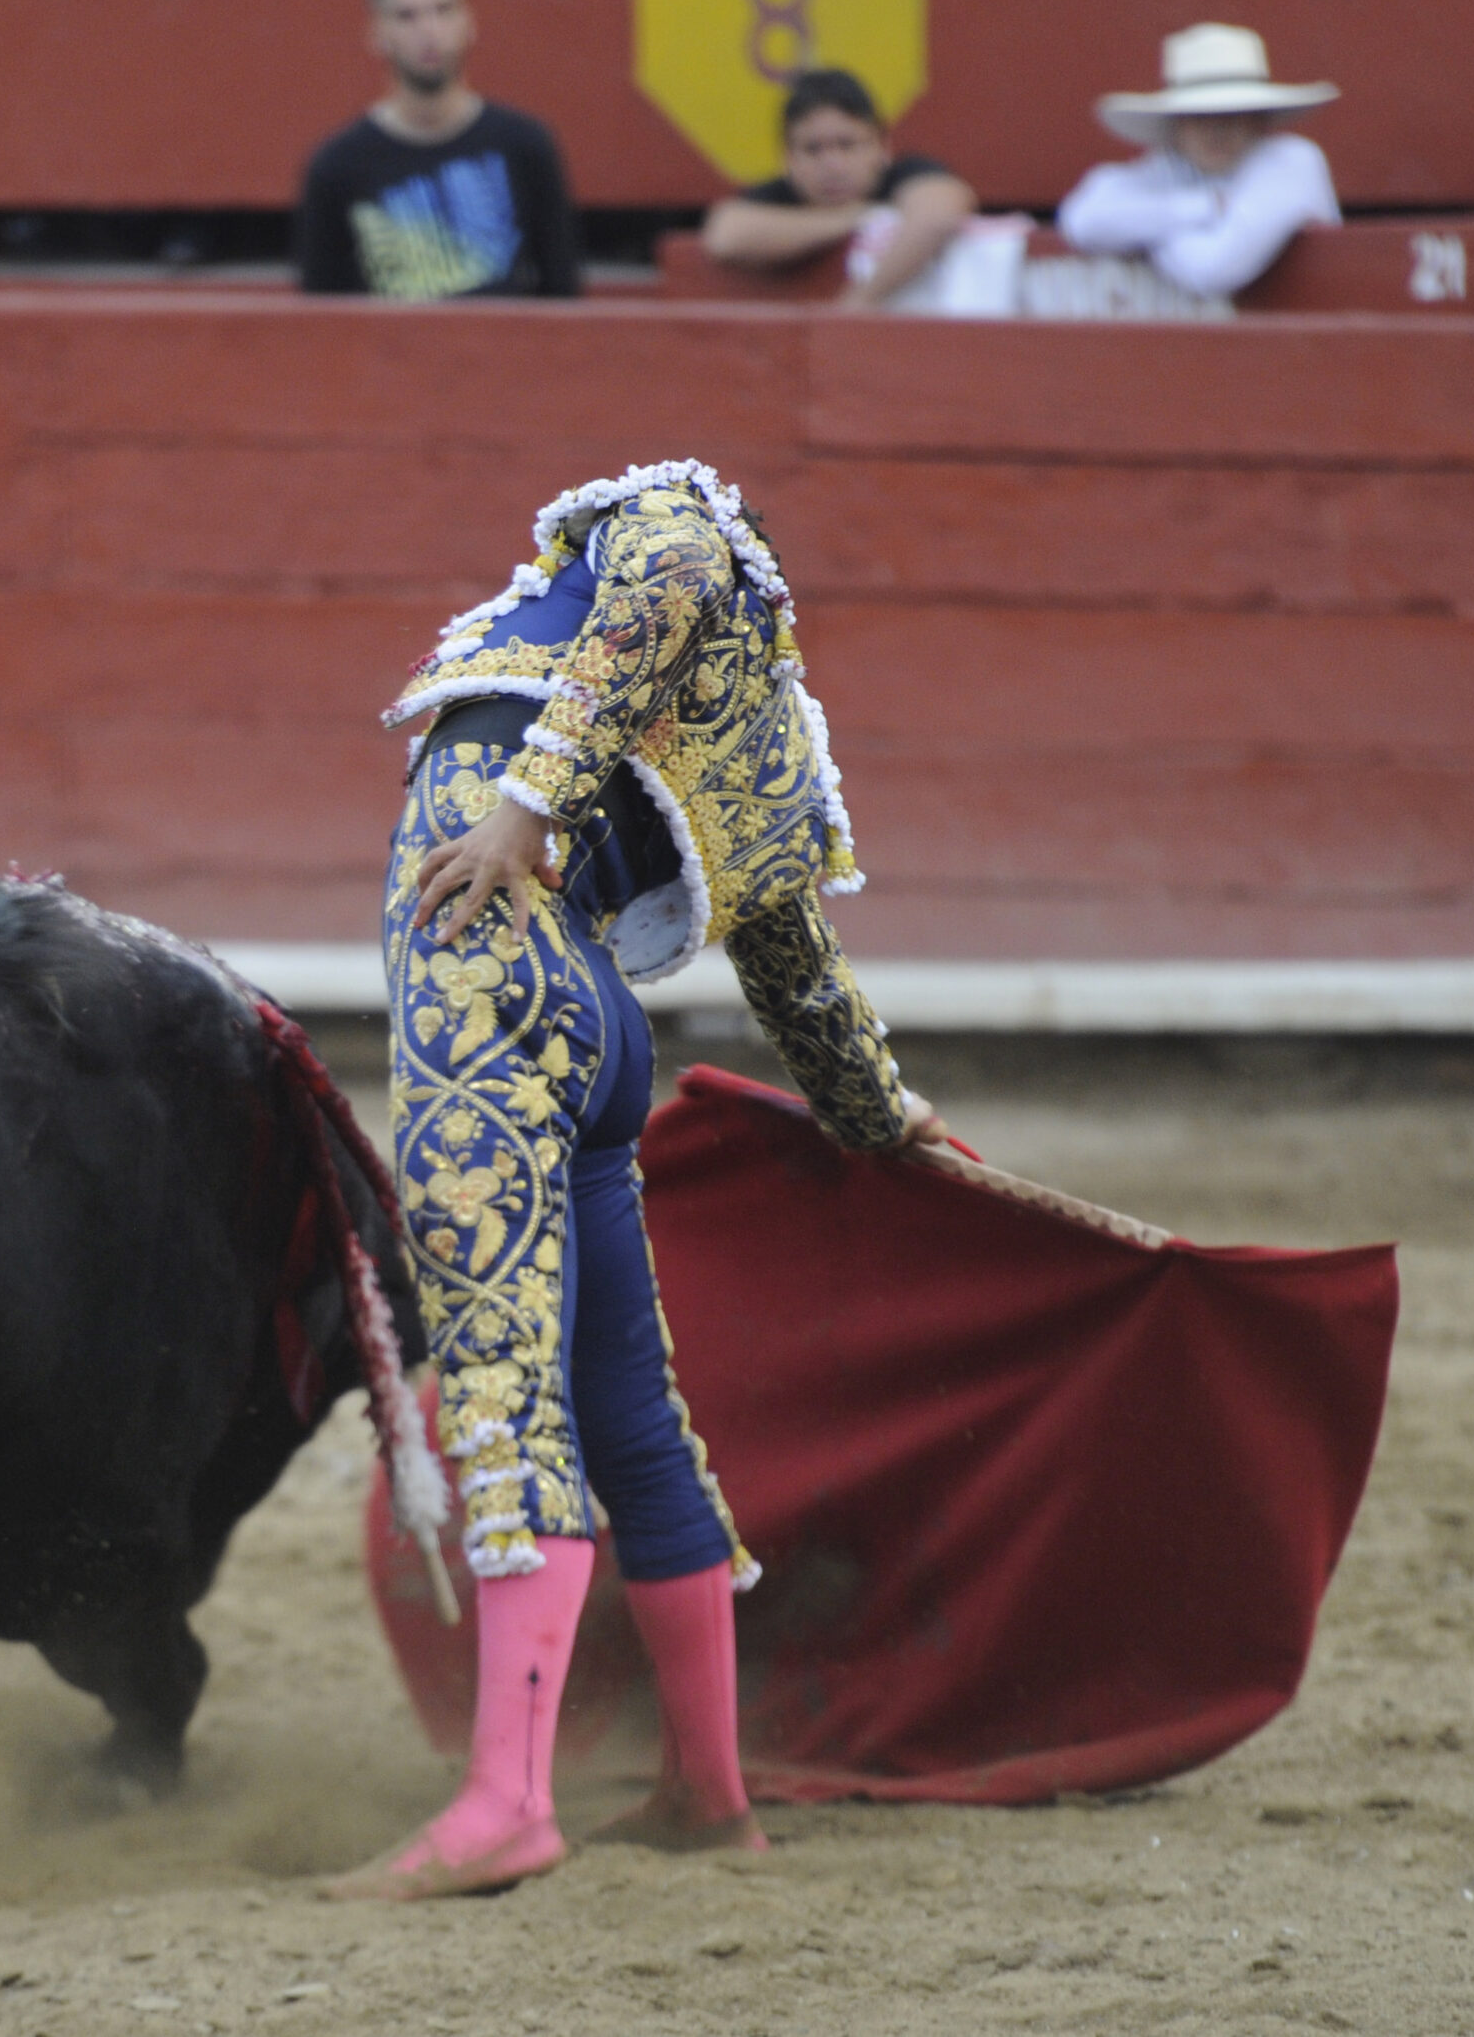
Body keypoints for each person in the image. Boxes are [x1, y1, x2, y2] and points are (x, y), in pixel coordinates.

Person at [331, 460, 948, 1903]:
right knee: (630, 1411)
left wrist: (531, 804)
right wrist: (886, 1114)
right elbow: (803, 980)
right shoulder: (759, 747)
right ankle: (709, 1792)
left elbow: (665, 582)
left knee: (502, 1377)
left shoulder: (669, 524)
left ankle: (506, 1799)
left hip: (487, 977)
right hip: (599, 1020)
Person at [297, 0, 580, 300]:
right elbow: (318, 322)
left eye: (444, 11)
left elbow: (565, 302)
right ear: (376, 35)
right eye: (406, 16)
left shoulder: (525, 146)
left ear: (470, 23)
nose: (429, 31)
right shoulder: (336, 166)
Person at [1057, 23, 1340, 298]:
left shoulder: (1292, 162)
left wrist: (1142, 231)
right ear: (1176, 128)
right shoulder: (1172, 168)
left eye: (1233, 115)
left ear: (1259, 121)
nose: (1216, 132)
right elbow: (1084, 221)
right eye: (1199, 117)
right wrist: (1206, 206)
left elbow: (1212, 270)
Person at [699, 70, 978, 309]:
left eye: (847, 145)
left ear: (882, 148)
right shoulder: (780, 195)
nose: (832, 164)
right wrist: (856, 218)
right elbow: (726, 235)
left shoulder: (905, 174)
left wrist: (859, 304)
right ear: (789, 159)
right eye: (813, 149)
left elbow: (940, 213)